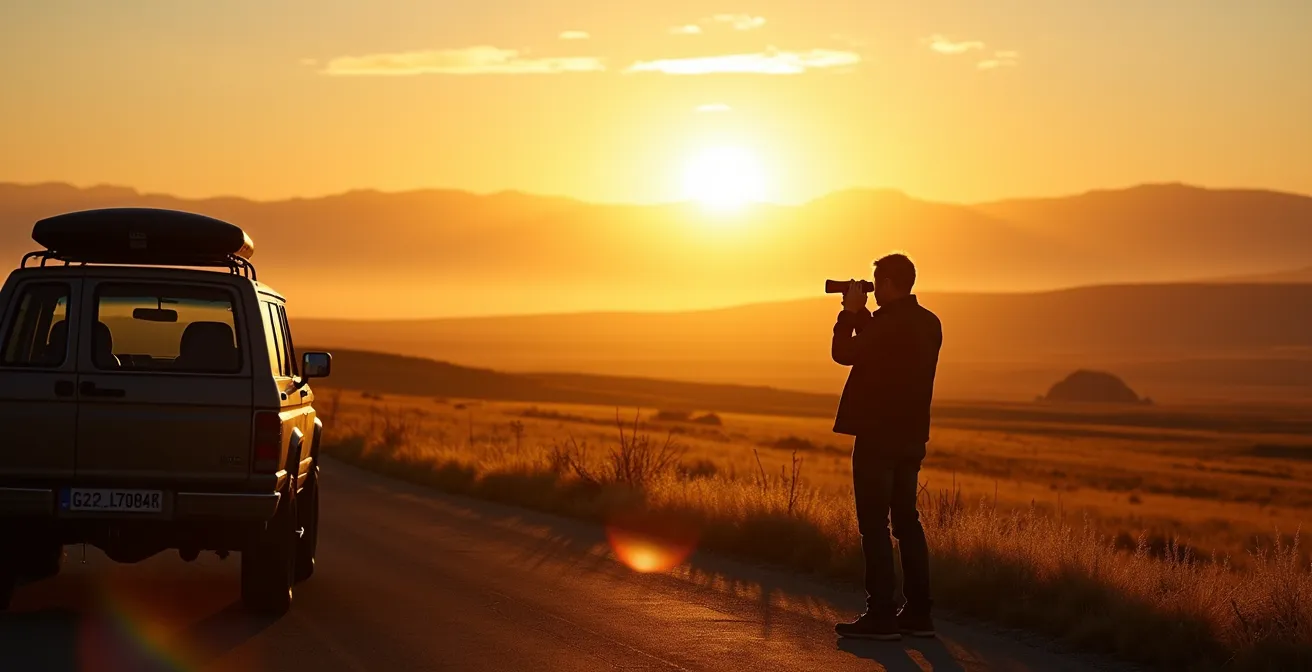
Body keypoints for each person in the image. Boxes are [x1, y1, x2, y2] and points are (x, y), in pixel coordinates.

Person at [830, 253, 942, 641]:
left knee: (874, 526)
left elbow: (846, 353)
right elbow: (883, 350)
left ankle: (881, 615)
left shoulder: (885, 325)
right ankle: (918, 613)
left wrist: (849, 314)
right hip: (911, 437)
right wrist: (867, 316)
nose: (874, 290)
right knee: (907, 523)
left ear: (891, 284)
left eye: (878, 283)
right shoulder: (929, 324)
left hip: (877, 437)